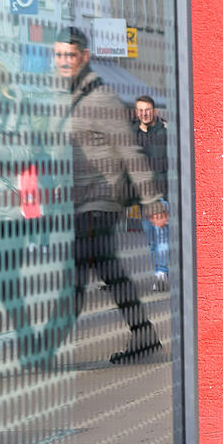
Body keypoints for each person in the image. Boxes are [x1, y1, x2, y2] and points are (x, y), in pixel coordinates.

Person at [50, 27, 165, 364]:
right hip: (80, 201)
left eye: (70, 55)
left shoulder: (102, 98)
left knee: (76, 275)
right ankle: (145, 336)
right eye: (58, 55)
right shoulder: (69, 97)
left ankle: (45, 348)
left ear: (84, 57)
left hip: (100, 201)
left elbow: (130, 153)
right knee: (109, 271)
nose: (63, 61)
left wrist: (152, 202)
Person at [134, 95, 170, 289]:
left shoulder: (164, 133)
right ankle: (160, 271)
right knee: (151, 241)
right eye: (140, 110)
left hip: (160, 195)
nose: (144, 113)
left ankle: (161, 274)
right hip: (142, 198)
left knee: (161, 237)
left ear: (154, 111)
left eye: (147, 110)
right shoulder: (132, 134)